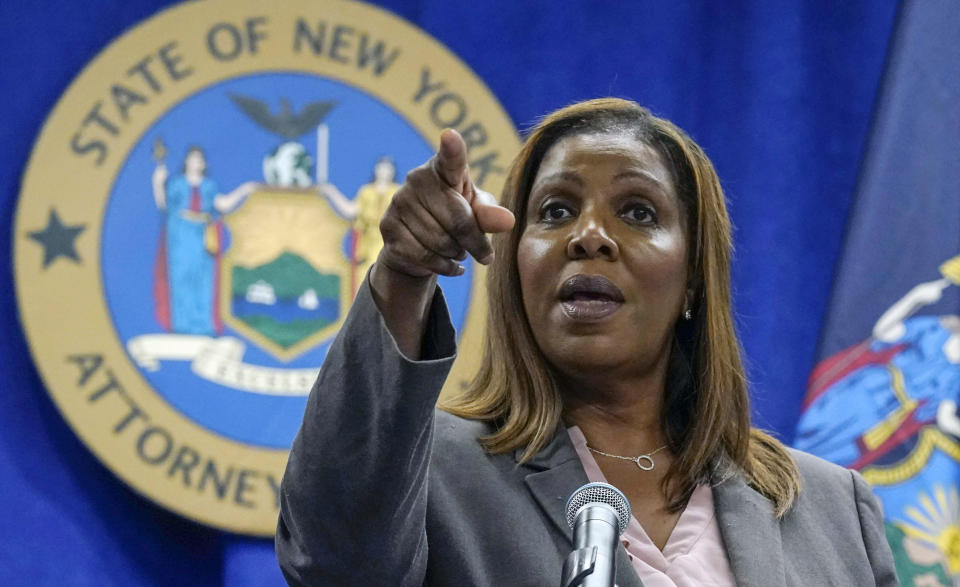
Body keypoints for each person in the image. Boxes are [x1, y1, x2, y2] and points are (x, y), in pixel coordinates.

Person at [276, 99, 898, 586]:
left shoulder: (830, 509)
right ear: (516, 267)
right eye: (554, 211)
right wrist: (403, 273)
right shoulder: (427, 472)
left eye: (638, 212)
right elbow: (333, 563)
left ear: (691, 280)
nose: (589, 237)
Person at [152, 146, 256, 335]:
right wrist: (158, 183)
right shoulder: (176, 183)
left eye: (199, 159)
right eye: (193, 159)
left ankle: (201, 325)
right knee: (182, 276)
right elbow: (164, 204)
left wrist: (244, 190)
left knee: (203, 279)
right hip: (181, 234)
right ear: (186, 162)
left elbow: (222, 204)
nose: (196, 162)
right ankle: (182, 324)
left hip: (202, 234)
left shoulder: (209, 186)